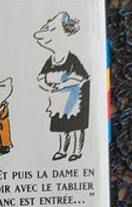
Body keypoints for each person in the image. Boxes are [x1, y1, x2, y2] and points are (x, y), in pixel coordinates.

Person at [34, 13, 90, 162]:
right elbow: (41, 78)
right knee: (61, 126)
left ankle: (77, 151)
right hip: (58, 99)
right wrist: (47, 84)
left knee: (77, 126)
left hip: (75, 98)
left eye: (52, 30)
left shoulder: (72, 59)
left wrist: (64, 82)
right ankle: (62, 150)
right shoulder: (50, 60)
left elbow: (82, 77)